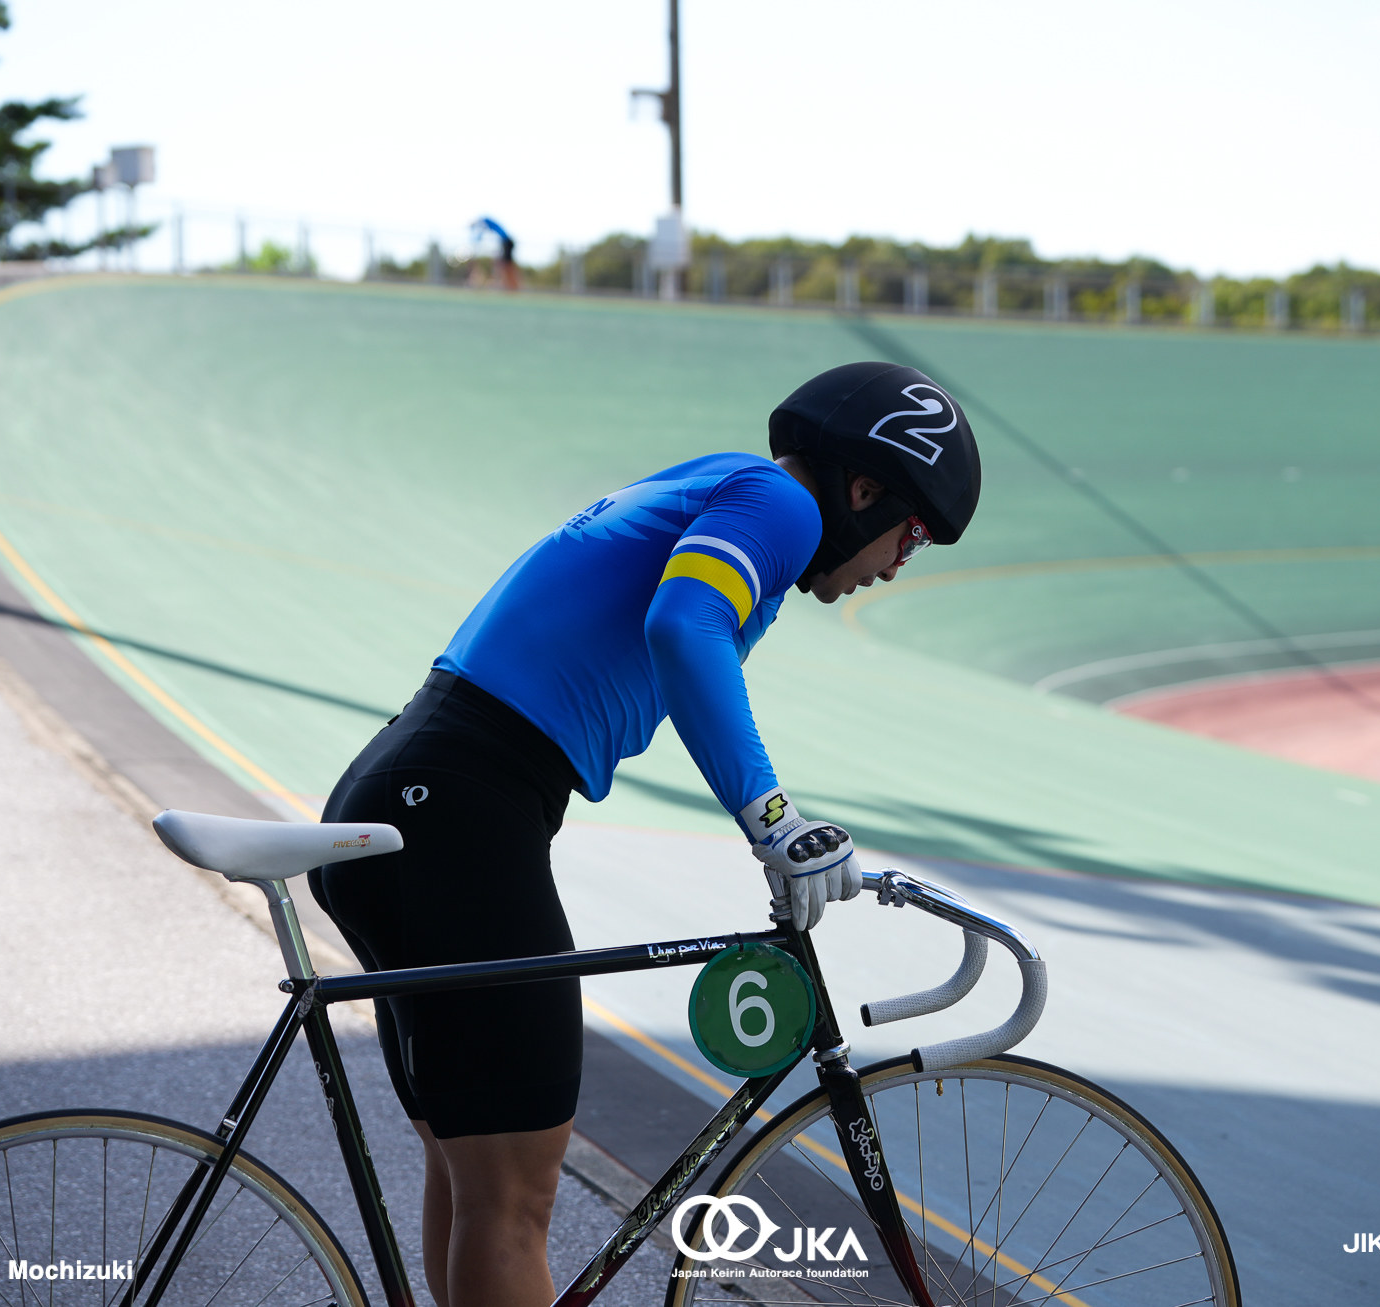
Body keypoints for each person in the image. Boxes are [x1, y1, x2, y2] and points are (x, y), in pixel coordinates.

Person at [308, 361, 980, 1307]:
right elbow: (685, 624)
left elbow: (676, 635)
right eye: (910, 534)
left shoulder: (724, 482)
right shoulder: (783, 504)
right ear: (863, 489)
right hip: (459, 807)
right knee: (511, 1201)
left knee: (479, 1190)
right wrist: (774, 821)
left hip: (416, 794)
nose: (900, 564)